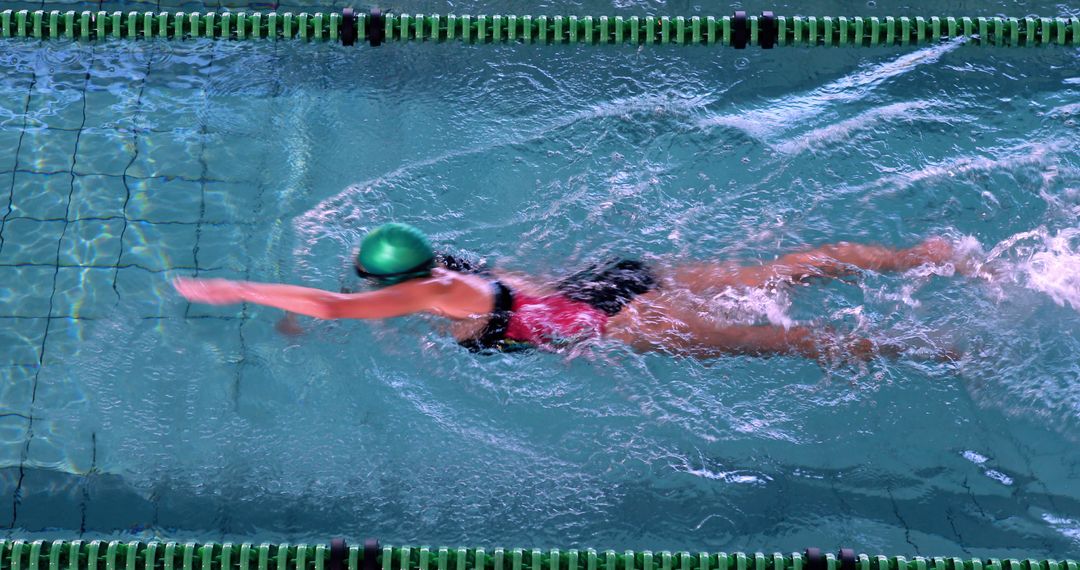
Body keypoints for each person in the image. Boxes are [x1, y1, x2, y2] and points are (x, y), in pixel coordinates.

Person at [173, 223, 957, 360]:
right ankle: (920, 256)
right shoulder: (447, 273)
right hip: (616, 280)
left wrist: (235, 287)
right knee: (768, 277)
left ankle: (921, 349)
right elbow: (346, 307)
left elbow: (338, 306)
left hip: (615, 319)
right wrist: (305, 324)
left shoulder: (429, 297)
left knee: (766, 343)